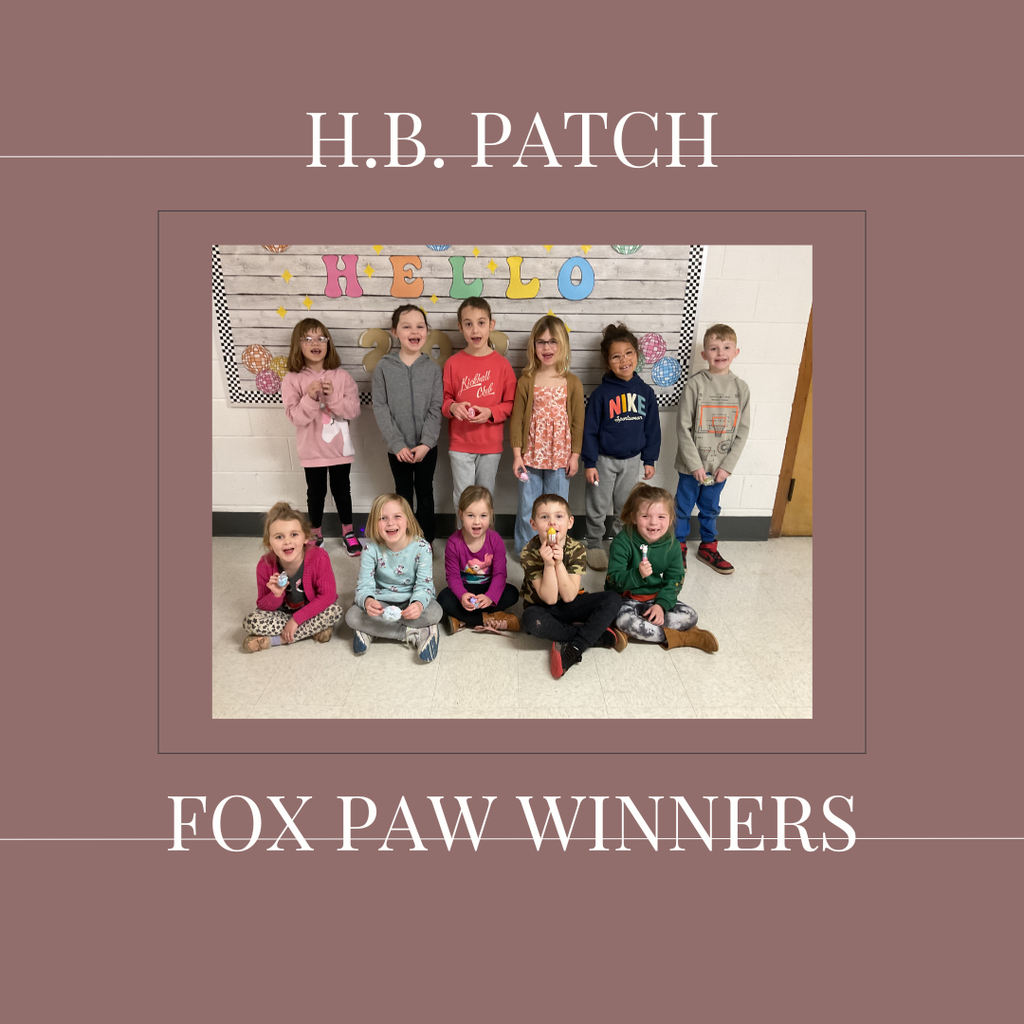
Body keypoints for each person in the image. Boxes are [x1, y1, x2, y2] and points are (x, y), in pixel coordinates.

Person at [519, 493, 625, 679]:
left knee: (613, 599)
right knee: (531, 621)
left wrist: (559, 564)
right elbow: (550, 598)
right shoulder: (529, 552)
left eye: (559, 517)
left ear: (570, 522)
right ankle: (593, 636)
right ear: (533, 524)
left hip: (570, 603)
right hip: (542, 608)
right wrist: (549, 564)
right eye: (544, 517)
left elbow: (569, 596)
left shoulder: (577, 549)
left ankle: (575, 644)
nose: (552, 523)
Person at [581, 323, 661, 571]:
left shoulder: (646, 393)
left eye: (628, 353)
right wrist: (590, 462)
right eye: (616, 356)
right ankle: (594, 544)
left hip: (632, 461)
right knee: (597, 505)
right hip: (603, 461)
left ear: (637, 356)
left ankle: (619, 544)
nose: (623, 360)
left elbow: (652, 429)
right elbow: (590, 431)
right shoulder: (600, 395)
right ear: (607, 362)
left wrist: (649, 459)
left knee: (625, 507)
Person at [281, 318, 362, 557]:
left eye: (321, 338)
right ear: (298, 345)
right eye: (308, 339)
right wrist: (310, 398)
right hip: (311, 451)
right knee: (315, 494)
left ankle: (348, 531)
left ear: (328, 344)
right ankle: (315, 533)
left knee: (342, 491)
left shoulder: (342, 376)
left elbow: (353, 410)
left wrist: (333, 398)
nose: (315, 343)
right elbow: (295, 417)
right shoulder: (292, 379)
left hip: (340, 450)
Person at [605, 484, 719, 652]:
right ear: (634, 517)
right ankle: (683, 637)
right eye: (645, 516)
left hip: (655, 596)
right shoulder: (622, 542)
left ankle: (634, 633)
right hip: (627, 598)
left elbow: (675, 579)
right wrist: (636, 575)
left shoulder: (672, 544)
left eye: (661, 517)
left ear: (671, 518)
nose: (653, 522)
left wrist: (661, 605)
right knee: (623, 620)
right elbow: (613, 580)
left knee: (691, 615)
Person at [674, 324, 750, 575]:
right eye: (714, 348)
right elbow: (683, 428)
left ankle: (708, 547)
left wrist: (727, 467)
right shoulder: (694, 385)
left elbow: (742, 432)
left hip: (719, 469)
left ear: (736, 352)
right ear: (704, 354)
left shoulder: (741, 388)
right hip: (691, 467)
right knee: (682, 508)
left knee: (710, 508)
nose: (720, 352)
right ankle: (678, 547)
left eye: (726, 347)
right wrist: (695, 465)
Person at [509, 314, 584, 555]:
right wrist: (517, 455)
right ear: (534, 346)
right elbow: (517, 420)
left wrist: (575, 456)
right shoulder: (526, 381)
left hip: (560, 457)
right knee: (528, 505)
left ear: (563, 346)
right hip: (530, 456)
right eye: (541, 342)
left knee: (557, 507)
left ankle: (554, 550)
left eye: (553, 342)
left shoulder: (572, 382)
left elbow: (577, 423)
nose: (547, 347)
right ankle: (527, 551)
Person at [372, 304, 443, 544]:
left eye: (420, 326)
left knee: (425, 494)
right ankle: (403, 542)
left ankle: (426, 543)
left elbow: (436, 408)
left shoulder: (433, 369)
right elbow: (380, 407)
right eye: (407, 326)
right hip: (398, 449)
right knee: (402, 496)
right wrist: (396, 444)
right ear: (395, 332)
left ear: (426, 331)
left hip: (426, 448)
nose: (414, 331)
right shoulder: (384, 367)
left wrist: (427, 443)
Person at [442, 297, 516, 519]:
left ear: (491, 325)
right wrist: (454, 407)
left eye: (481, 323)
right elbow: (444, 402)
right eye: (468, 323)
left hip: (490, 446)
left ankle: (485, 544)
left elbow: (510, 404)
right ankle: (461, 545)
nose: (475, 330)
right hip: (460, 445)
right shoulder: (452, 363)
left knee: (486, 498)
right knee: (462, 497)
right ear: (460, 327)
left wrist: (490, 413)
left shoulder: (502, 365)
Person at [345, 494, 441, 662]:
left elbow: (424, 587)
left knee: (436, 612)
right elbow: (363, 587)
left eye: (397, 516)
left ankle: (373, 630)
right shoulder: (370, 549)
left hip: (411, 602)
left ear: (409, 521)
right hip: (381, 603)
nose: (390, 523)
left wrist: (418, 604)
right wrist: (368, 601)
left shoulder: (422, 548)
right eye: (383, 518)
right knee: (352, 616)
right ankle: (411, 633)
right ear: (375, 523)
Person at [241, 502, 343, 652]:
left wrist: (297, 619)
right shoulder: (264, 565)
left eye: (294, 534)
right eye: (279, 537)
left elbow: (327, 596)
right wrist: (275, 595)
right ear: (270, 544)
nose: (287, 541)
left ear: (306, 538)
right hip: (282, 615)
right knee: (250, 621)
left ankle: (278, 640)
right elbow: (262, 605)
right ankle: (309, 630)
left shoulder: (319, 557)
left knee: (335, 611)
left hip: (310, 611)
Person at [438, 486, 521, 635]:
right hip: (464, 590)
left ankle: (462, 620)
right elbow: (453, 577)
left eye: (483, 516)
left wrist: (490, 597)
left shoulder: (495, 540)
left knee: (512, 593)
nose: (477, 522)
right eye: (470, 515)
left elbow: (500, 575)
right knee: (443, 599)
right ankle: (492, 619)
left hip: (487, 588)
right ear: (461, 515)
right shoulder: (453, 542)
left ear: (491, 515)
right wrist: (462, 595)